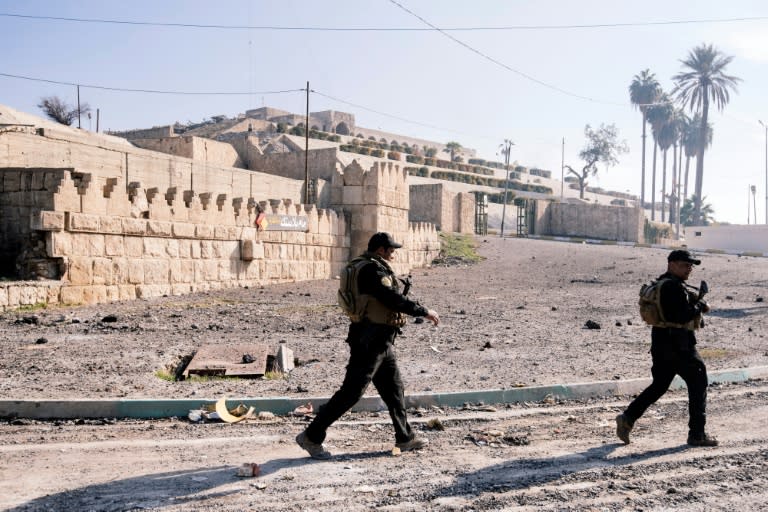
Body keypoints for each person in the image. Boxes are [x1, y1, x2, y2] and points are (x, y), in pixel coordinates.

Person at [296, 232, 440, 459]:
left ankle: (405, 437)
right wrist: (424, 312)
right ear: (380, 250)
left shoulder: (364, 266)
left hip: (379, 340)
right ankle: (311, 436)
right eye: (390, 250)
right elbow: (391, 298)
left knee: (394, 390)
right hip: (370, 341)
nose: (393, 254)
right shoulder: (372, 270)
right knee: (351, 393)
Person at [616, 249, 718, 447]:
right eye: (684, 265)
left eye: (690, 266)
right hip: (679, 344)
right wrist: (699, 307)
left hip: (661, 342)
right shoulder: (672, 287)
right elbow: (680, 316)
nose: (689, 269)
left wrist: (696, 301)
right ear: (671, 264)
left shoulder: (663, 283)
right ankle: (697, 434)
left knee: (660, 385)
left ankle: (628, 418)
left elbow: (673, 311)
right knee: (698, 383)